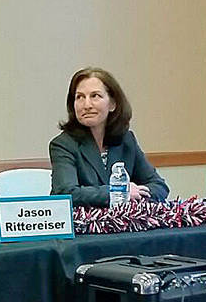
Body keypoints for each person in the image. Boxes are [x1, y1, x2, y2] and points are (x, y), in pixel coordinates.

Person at [49, 67, 168, 205]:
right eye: (80, 97)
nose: (86, 105)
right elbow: (66, 193)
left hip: (124, 223)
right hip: (83, 224)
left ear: (112, 104)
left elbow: (159, 186)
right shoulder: (63, 145)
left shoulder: (126, 140)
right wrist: (120, 192)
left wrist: (136, 195)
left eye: (95, 96)